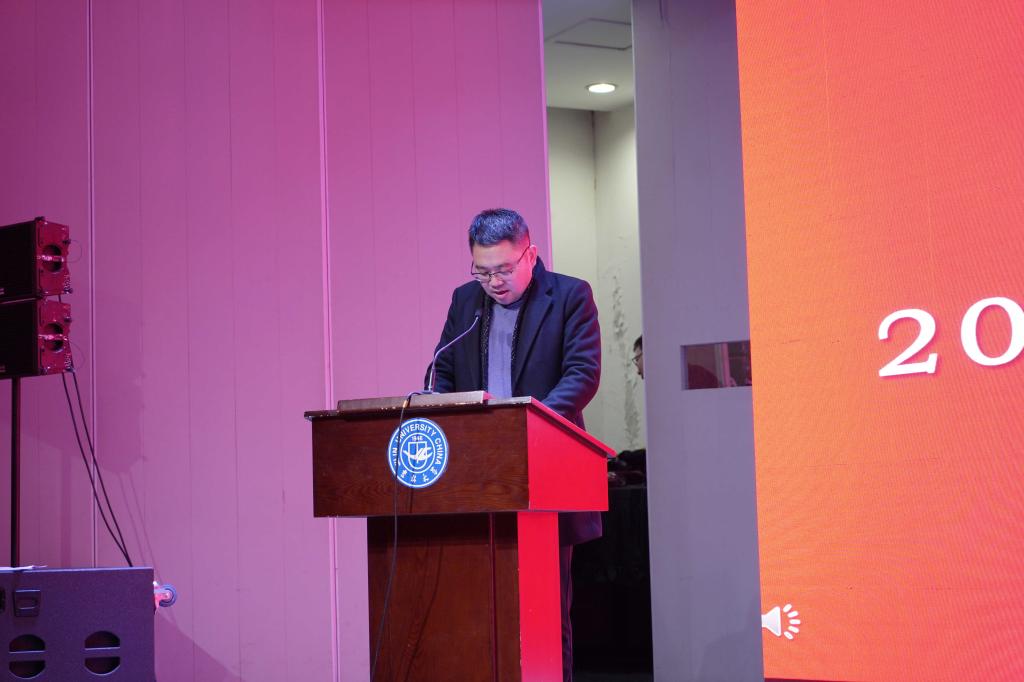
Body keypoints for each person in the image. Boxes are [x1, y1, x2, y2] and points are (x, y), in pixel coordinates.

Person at [429, 208, 601, 681]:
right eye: (482, 271)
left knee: (544, 613)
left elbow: (582, 375)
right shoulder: (465, 301)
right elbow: (444, 369)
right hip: (477, 478)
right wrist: (439, 405)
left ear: (530, 255)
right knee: (479, 610)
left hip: (544, 473)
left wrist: (530, 425)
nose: (493, 283)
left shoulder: (569, 296)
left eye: (503, 270)